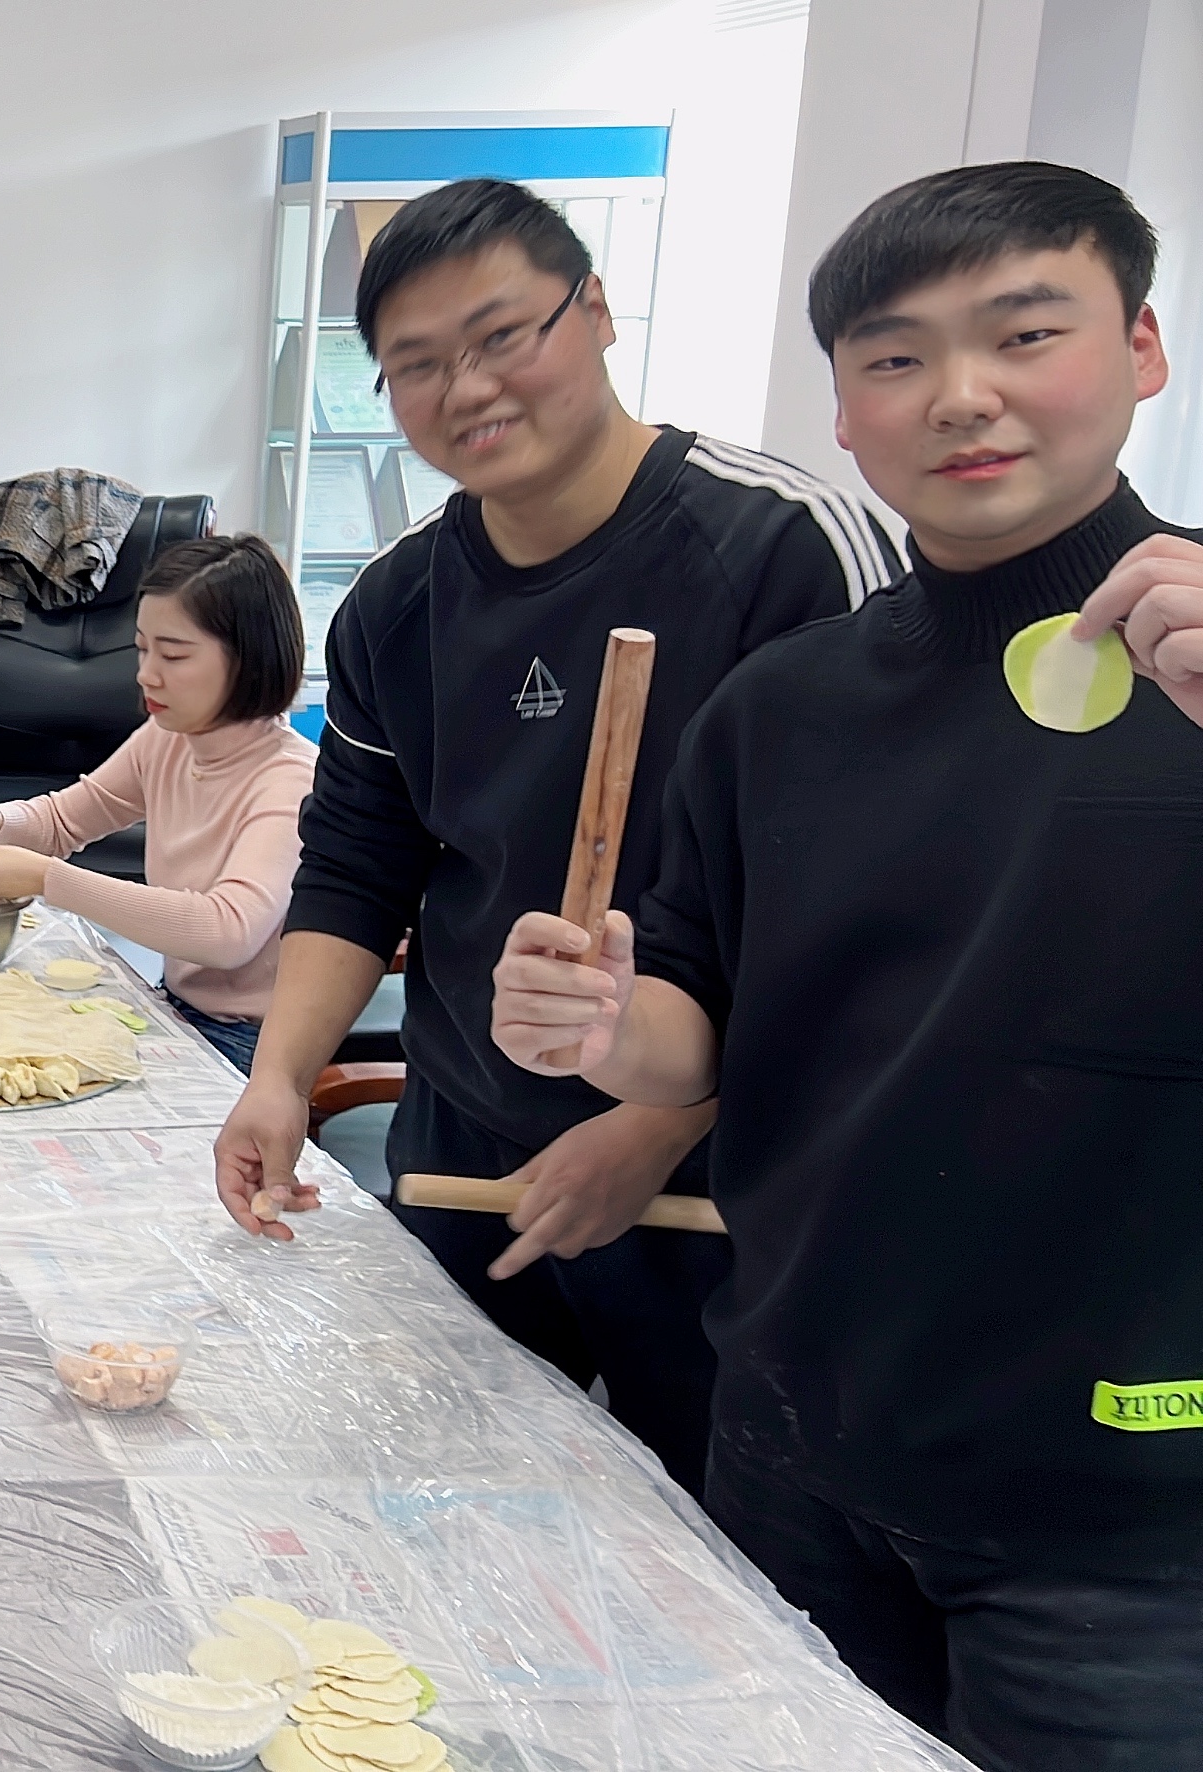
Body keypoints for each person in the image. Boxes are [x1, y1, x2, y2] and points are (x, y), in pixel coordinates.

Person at [488, 162, 1203, 1771]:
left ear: (1144, 347)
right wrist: (602, 1023)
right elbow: (700, 1024)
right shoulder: (785, 704)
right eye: (895, 357)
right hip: (796, 1453)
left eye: (1025, 333)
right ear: (844, 406)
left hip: (1134, 1527)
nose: (961, 395)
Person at [209, 178, 903, 1494]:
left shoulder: (786, 548)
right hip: (468, 1139)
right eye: (417, 364)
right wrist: (282, 1076)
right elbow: (357, 865)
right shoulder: (398, 604)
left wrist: (657, 1126)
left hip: (723, 1175)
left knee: (711, 1545)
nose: (466, 388)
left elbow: (867, 913)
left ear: (594, 310)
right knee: (438, 1501)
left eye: (501, 336)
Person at [0, 534, 315, 1073]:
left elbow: (228, 932)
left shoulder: (291, 780)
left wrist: (46, 879)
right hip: (177, 1006)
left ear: (249, 660)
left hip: (253, 1044)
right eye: (142, 649)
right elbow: (62, 821)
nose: (146, 674)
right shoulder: (170, 737)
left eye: (173, 655)